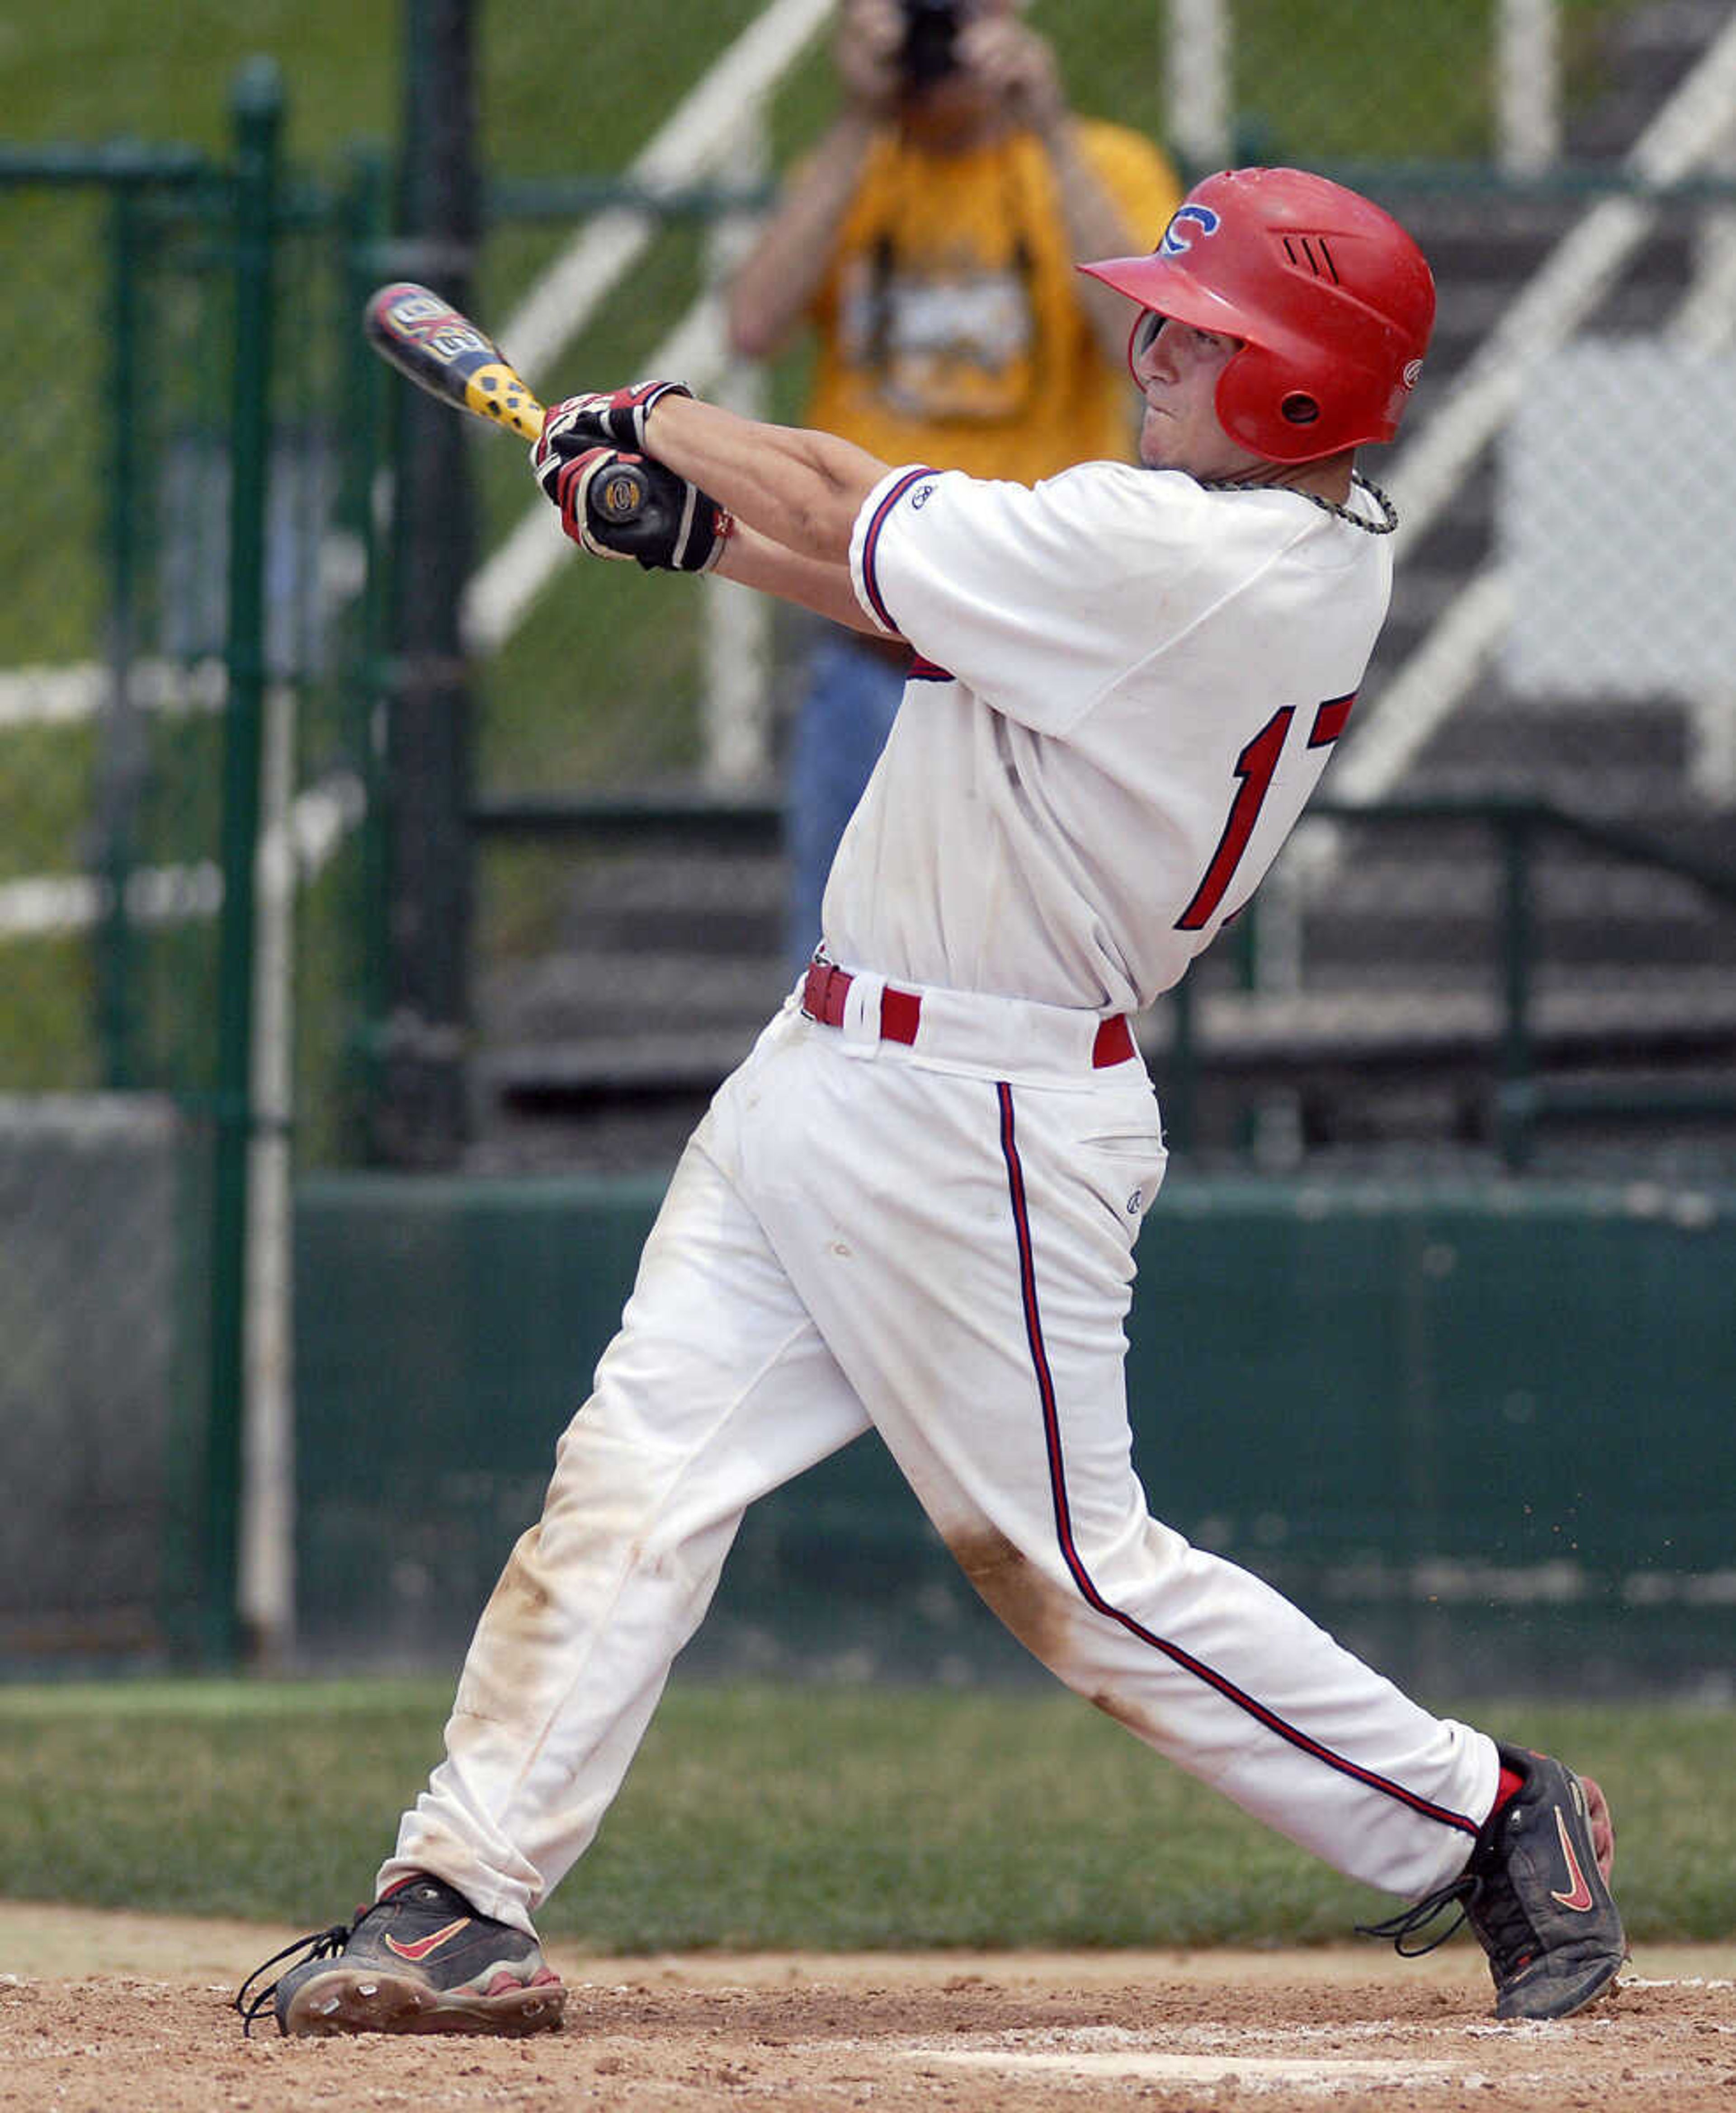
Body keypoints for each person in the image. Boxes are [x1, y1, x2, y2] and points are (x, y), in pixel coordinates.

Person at [240, 167, 1627, 2041]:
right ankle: (460, 1893)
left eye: (1198, 335)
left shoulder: (1193, 555)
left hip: (982, 1110)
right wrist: (687, 536)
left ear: (1299, 388)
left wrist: (656, 425)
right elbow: (915, 600)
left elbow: (838, 501)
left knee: (1075, 1574)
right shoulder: (1235, 545)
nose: (1147, 347)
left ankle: (1492, 1809)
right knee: (634, 1479)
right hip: (831, 1066)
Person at [724, 0, 1180, 974]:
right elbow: (752, 322)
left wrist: (1047, 130)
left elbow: (1141, 350)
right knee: (833, 955)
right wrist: (857, 119)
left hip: (1034, 656)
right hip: (869, 643)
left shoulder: (1106, 166)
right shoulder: (854, 170)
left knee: (1039, 964)